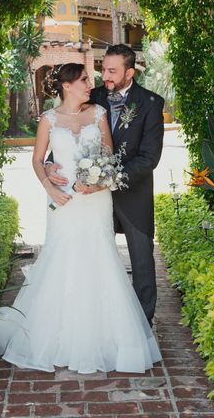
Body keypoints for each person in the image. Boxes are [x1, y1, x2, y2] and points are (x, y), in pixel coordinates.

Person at [0, 63, 161, 374]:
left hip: (95, 199)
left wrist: (99, 182)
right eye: (83, 80)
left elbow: (108, 154)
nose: (90, 85)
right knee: (63, 259)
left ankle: (106, 337)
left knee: (100, 258)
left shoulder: (98, 114)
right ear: (67, 86)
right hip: (64, 201)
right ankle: (58, 335)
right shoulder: (49, 120)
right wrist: (49, 187)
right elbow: (37, 160)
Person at [46, 45, 164, 327]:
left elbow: (149, 158)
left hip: (132, 194)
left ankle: (142, 324)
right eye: (103, 69)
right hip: (90, 201)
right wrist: (51, 162)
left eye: (112, 71)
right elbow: (69, 130)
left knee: (142, 260)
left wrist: (106, 180)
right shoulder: (93, 95)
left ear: (130, 72)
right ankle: (98, 318)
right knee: (93, 255)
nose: (104, 76)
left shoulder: (150, 103)